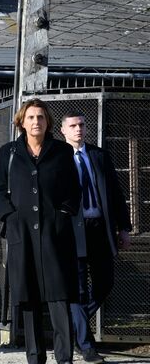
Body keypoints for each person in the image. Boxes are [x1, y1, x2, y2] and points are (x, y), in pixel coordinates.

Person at [0, 98, 80, 364]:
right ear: (21, 121)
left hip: (55, 237)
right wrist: (10, 219)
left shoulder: (62, 152)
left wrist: (62, 215)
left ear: (48, 122)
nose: (36, 122)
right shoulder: (8, 152)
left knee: (59, 297)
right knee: (29, 298)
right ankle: (35, 356)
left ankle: (64, 357)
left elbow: (74, 191)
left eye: (40, 117)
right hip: (23, 238)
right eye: (30, 117)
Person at [60, 111, 132, 363]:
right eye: (73, 126)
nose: (78, 129)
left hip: (100, 228)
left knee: (105, 282)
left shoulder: (99, 155)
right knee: (78, 289)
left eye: (81, 124)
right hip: (72, 230)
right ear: (63, 131)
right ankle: (87, 346)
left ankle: (75, 324)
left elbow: (115, 192)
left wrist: (124, 227)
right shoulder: (58, 157)